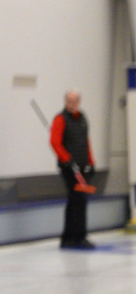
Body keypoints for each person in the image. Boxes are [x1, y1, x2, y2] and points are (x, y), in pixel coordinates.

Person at [49, 90, 95, 250]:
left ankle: (68, 237)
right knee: (78, 200)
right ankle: (79, 236)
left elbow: (85, 141)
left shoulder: (82, 118)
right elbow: (55, 142)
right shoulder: (60, 119)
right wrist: (67, 160)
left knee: (75, 201)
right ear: (65, 101)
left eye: (75, 100)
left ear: (79, 102)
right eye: (69, 100)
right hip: (69, 169)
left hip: (83, 167)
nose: (72, 103)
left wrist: (91, 162)